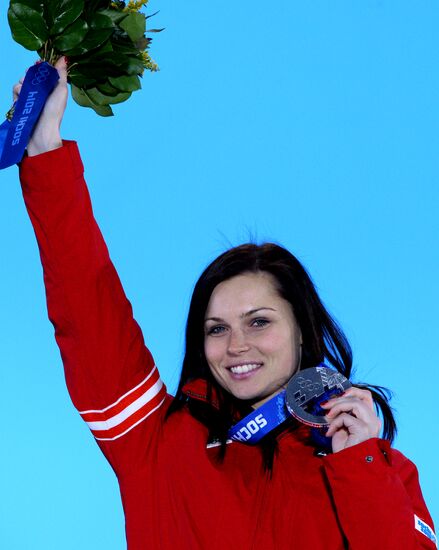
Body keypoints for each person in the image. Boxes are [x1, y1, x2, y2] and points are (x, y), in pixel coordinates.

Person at [14, 58, 436, 549]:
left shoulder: (379, 469)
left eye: (258, 322)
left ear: (302, 327)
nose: (236, 345)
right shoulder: (156, 443)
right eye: (216, 328)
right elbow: (88, 306)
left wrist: (360, 466)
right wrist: (45, 151)